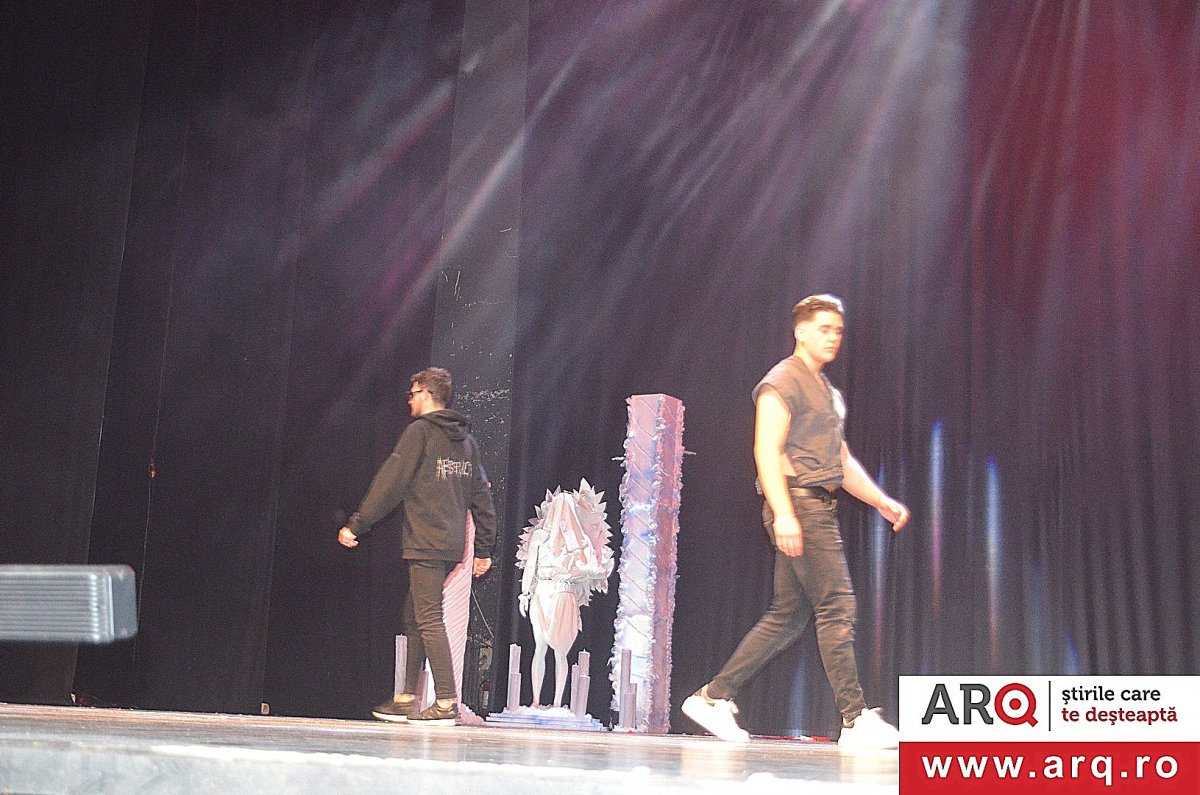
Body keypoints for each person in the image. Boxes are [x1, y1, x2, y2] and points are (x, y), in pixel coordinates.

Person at [681, 294, 910, 749]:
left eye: (838, 331)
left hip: (815, 502)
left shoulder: (827, 392)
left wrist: (880, 500)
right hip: (799, 504)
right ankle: (854, 719)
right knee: (837, 606)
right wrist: (784, 512)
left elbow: (841, 461)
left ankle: (712, 698)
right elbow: (765, 450)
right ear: (800, 330)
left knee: (788, 617)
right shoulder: (781, 381)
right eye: (824, 329)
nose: (833, 337)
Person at [337, 367, 497, 726]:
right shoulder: (467, 443)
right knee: (415, 614)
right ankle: (406, 698)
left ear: (425, 393)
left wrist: (357, 524)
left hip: (426, 542)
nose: (408, 401)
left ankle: (446, 701)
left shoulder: (420, 433)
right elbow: (482, 498)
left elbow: (390, 482)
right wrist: (484, 549)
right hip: (449, 545)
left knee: (428, 618)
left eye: (411, 394)